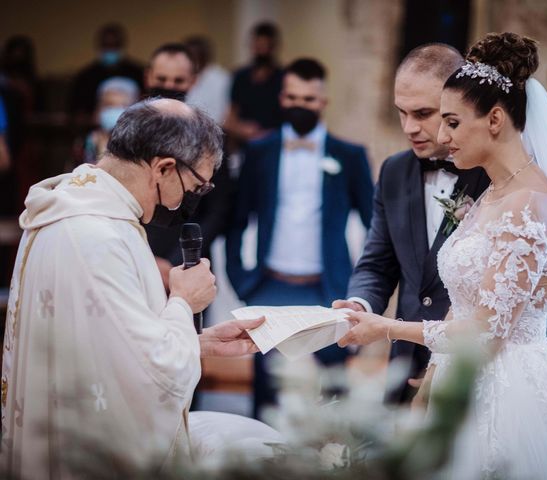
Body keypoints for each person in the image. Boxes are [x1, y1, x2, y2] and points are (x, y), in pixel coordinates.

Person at [337, 32, 547, 478]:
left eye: (451, 122)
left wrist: (386, 329)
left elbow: (487, 333)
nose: (439, 134)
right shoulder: (495, 193)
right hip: (451, 378)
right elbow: (402, 271)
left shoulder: (528, 204)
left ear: (495, 118)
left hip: (510, 397)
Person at [0, 99, 282, 478]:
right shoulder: (98, 236)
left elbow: (103, 343)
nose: (191, 201)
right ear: (164, 167)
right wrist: (185, 301)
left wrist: (198, 341)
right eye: (196, 186)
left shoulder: (72, 209)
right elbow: (152, 374)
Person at [333, 44, 489, 403]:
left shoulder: (495, 176)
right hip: (406, 363)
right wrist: (359, 304)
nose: (409, 127)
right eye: (401, 113)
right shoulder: (393, 171)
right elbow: (377, 262)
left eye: (423, 113)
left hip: (475, 370)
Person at [226, 58, 374, 419]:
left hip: (328, 289)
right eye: (292, 97)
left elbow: (375, 227)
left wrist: (358, 289)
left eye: (308, 99)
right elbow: (237, 219)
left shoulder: (349, 155)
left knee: (334, 387)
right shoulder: (259, 152)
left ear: (323, 102)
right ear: (281, 99)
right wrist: (243, 282)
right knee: (268, 390)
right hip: (270, 286)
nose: (299, 106)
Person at [142, 43, 235, 293]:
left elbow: (219, 209)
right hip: (134, 262)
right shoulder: (128, 131)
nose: (169, 86)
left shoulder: (210, 137)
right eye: (162, 78)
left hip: (189, 264)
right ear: (148, 76)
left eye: (178, 80)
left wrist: (175, 262)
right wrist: (144, 258)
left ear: (192, 81)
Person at [68, 23, 144, 123]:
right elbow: (76, 111)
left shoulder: (137, 73)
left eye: (114, 45)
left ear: (121, 45)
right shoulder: (85, 77)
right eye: (106, 45)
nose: (110, 50)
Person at [224, 22, 284, 143]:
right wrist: (241, 129)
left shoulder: (284, 78)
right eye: (258, 46)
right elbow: (230, 117)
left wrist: (266, 134)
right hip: (244, 144)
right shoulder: (240, 76)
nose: (261, 51)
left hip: (275, 143)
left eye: (266, 46)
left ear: (273, 47)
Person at [73, 76, 140, 165]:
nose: (114, 110)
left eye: (122, 106)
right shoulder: (85, 144)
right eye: (109, 105)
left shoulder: (139, 145)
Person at [185, 35, 231, 123]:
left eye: (196, 55)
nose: (193, 60)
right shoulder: (182, 76)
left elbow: (222, 115)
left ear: (206, 56)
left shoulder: (221, 79)